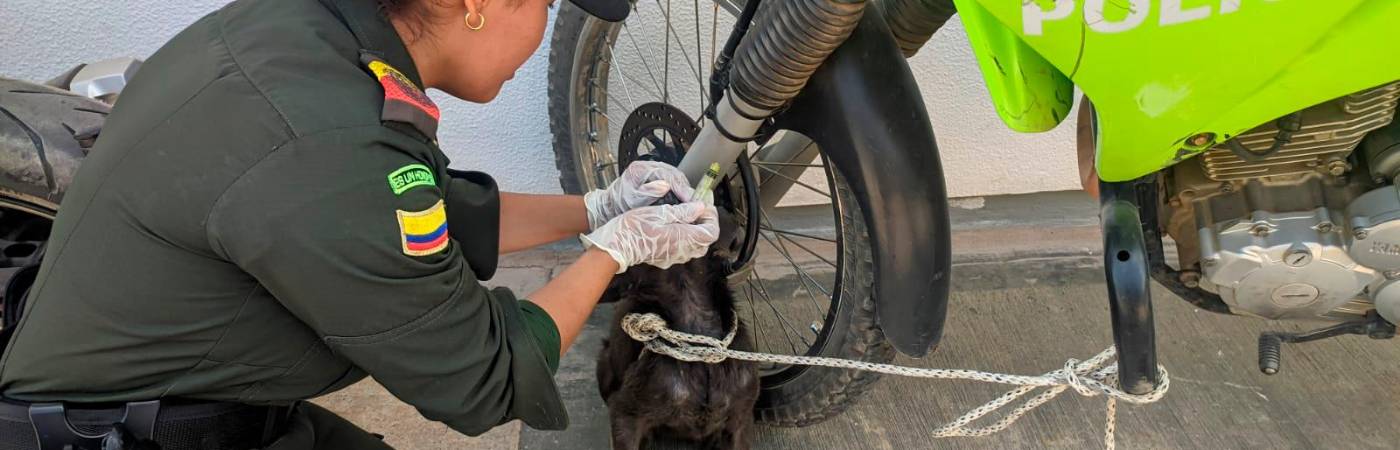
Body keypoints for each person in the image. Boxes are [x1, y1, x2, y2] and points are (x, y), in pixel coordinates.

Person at [0, 0, 718, 448]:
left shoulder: (313, 35)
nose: (539, 29)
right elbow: (485, 376)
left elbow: (427, 210)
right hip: (127, 431)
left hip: (188, 397)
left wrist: (598, 208)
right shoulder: (325, 145)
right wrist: (611, 253)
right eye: (539, 3)